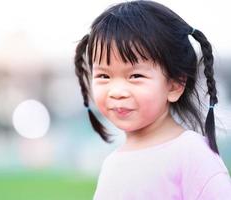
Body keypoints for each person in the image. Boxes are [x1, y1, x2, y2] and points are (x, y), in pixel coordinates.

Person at [74, 0, 231, 199]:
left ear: (174, 85)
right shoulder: (112, 164)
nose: (117, 92)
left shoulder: (192, 155)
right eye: (104, 76)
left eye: (135, 76)